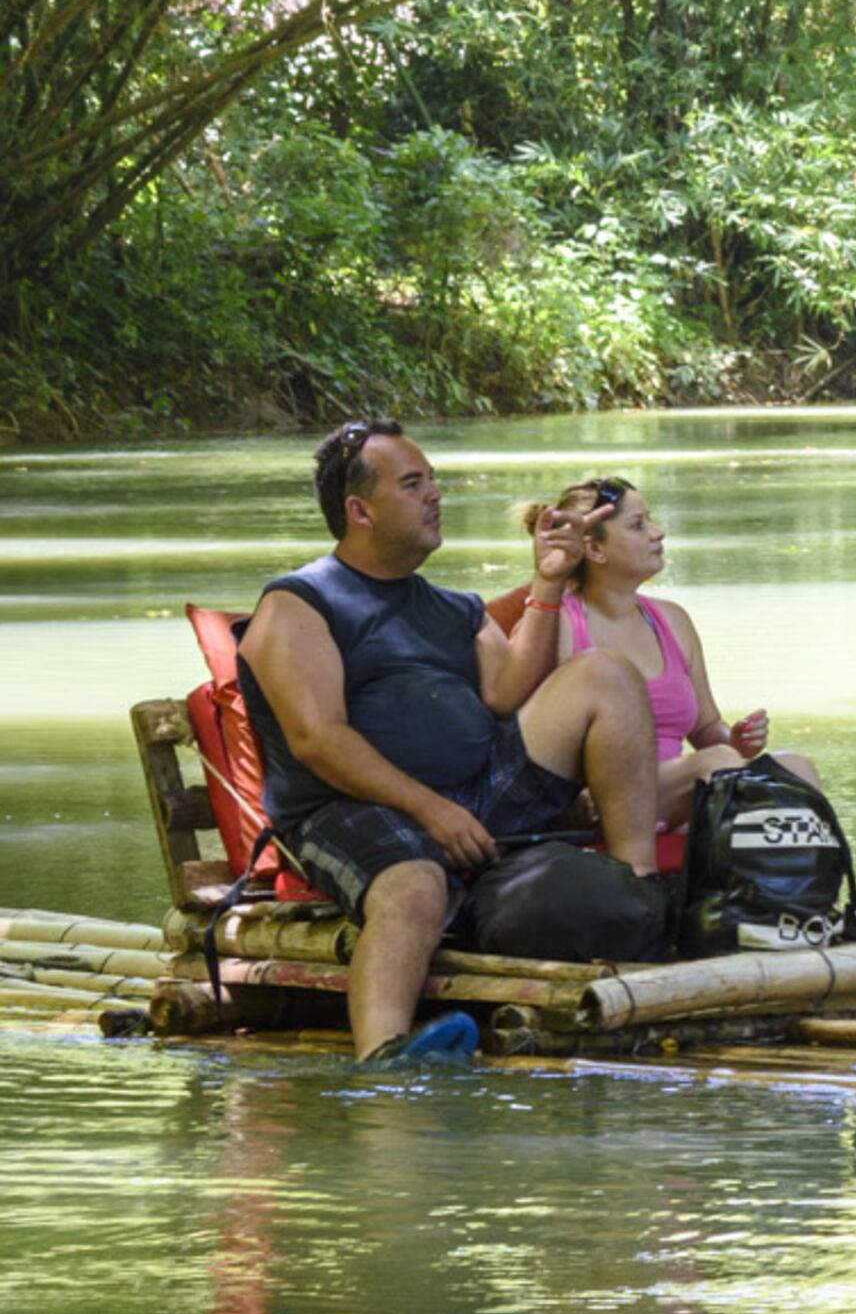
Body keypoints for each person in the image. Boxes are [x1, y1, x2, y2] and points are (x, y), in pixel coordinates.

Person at [237, 421, 665, 1061]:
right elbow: (317, 740)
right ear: (360, 510)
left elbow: (509, 693)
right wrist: (430, 810)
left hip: (475, 796)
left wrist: (547, 583)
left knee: (605, 674)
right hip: (347, 809)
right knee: (412, 879)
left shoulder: (454, 607)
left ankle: (642, 893)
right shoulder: (299, 603)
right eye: (414, 485)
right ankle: (382, 1060)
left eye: (433, 481)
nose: (435, 495)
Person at [491, 476, 817, 871]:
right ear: (593, 548)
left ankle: (806, 903)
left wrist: (736, 740)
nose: (657, 532)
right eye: (638, 524)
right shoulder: (558, 622)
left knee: (797, 769)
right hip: (598, 802)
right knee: (713, 765)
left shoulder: (673, 621)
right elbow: (533, 732)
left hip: (674, 792)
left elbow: (707, 728)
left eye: (651, 520)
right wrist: (722, 756)